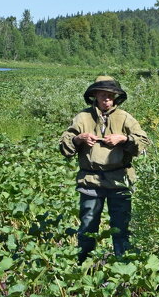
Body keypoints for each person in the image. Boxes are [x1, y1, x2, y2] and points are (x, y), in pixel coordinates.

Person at [60, 76, 150, 262]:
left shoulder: (125, 118)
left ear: (116, 97)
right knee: (88, 225)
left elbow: (143, 143)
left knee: (121, 226)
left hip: (119, 180)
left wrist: (123, 139)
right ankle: (84, 265)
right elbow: (65, 145)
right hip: (90, 181)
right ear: (94, 96)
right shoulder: (83, 117)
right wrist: (79, 139)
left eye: (110, 95)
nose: (107, 99)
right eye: (103, 95)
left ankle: (123, 266)